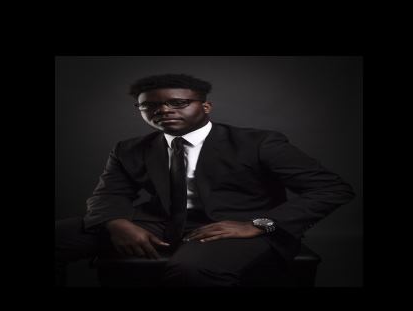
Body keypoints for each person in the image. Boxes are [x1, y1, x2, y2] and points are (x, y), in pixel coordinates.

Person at [55, 74, 355, 287]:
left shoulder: (259, 142)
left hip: (233, 224)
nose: (163, 110)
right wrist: (116, 223)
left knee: (191, 271)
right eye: (150, 106)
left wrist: (258, 224)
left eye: (178, 102)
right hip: (159, 222)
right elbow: (109, 194)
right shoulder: (129, 148)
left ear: (205, 107)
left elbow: (331, 188)